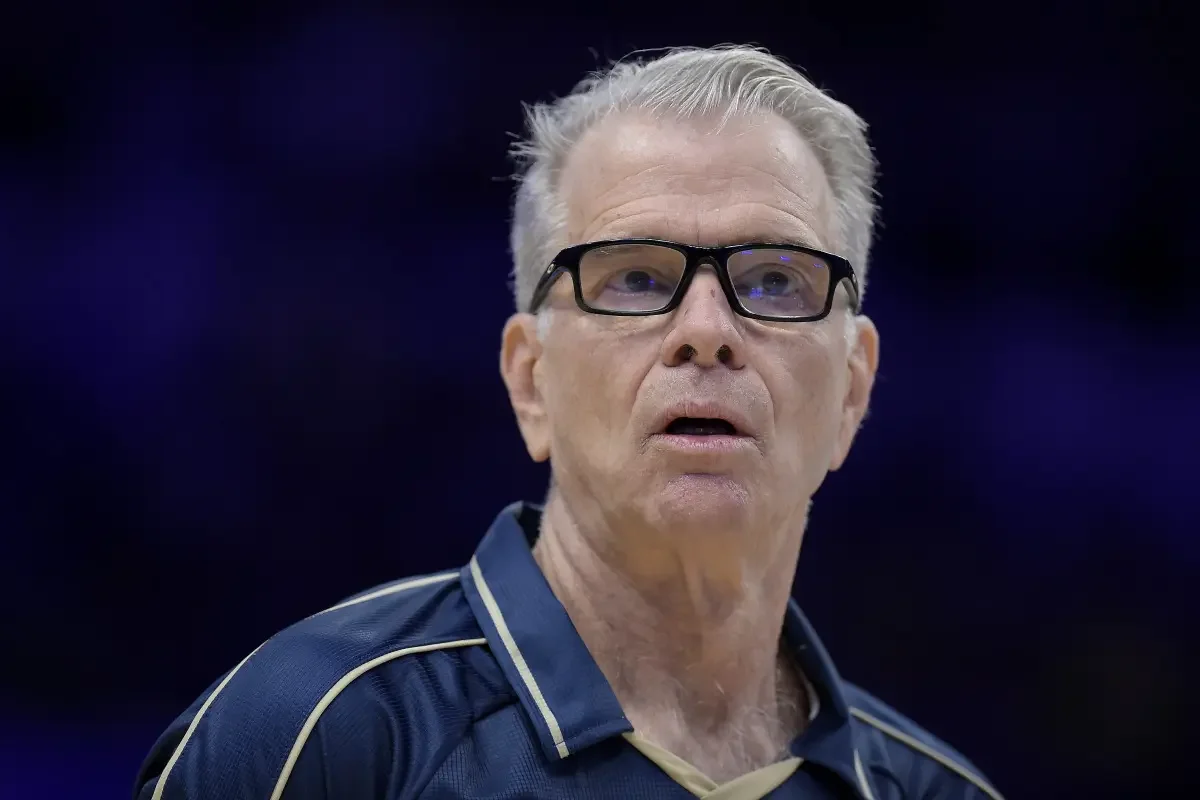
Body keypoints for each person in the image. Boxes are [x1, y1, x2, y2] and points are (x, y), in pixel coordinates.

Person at [135, 45, 1004, 800]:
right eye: (635, 277)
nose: (707, 330)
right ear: (531, 381)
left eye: (775, 280)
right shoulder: (317, 732)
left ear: (853, 389)